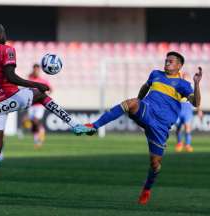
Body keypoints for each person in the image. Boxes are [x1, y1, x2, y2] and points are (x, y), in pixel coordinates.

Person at [0, 24, 94, 204]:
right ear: (0, 34)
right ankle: (75, 125)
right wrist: (35, 85)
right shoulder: (7, 50)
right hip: (11, 97)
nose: (5, 34)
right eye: (4, 31)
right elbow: (10, 77)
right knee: (40, 94)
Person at [78, 52, 202, 205]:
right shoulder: (155, 74)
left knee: (155, 164)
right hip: (147, 110)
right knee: (131, 103)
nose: (167, 63)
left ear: (179, 66)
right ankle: (93, 126)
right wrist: (139, 101)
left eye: (171, 61)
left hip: (161, 127)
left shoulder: (183, 84)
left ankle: (147, 188)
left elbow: (196, 103)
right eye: (166, 60)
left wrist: (196, 83)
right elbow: (145, 86)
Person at [175, 71, 203, 153]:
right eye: (183, 77)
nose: (184, 78)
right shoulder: (178, 87)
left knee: (187, 128)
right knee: (178, 128)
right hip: (178, 109)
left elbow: (197, 100)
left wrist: (199, 110)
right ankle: (179, 144)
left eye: (185, 77)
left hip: (187, 110)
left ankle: (187, 145)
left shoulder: (191, 87)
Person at [27, 63, 52, 148]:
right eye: (34, 69)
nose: (36, 71)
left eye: (37, 70)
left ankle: (41, 131)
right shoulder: (30, 79)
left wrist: (43, 94)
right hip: (31, 104)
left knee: (35, 120)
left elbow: (50, 89)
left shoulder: (43, 81)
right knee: (33, 124)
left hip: (39, 105)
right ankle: (36, 140)